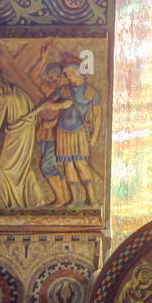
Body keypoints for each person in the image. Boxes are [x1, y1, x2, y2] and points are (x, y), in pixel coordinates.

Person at [0, 71, 49, 208]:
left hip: (16, 135)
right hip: (27, 134)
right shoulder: (21, 94)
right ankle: (37, 199)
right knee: (23, 168)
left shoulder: (4, 98)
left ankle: (4, 202)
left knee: (3, 169)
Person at [56, 55, 103, 207]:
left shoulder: (91, 92)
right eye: (66, 74)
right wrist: (59, 106)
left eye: (69, 73)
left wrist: (94, 136)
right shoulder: (64, 90)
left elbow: (98, 115)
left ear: (77, 72)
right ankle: (74, 199)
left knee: (81, 164)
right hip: (63, 131)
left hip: (79, 131)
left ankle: (92, 198)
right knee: (68, 165)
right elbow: (48, 105)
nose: (67, 77)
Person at [34, 63, 73, 207]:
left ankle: (60, 198)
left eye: (54, 76)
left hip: (57, 134)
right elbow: (34, 76)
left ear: (61, 74)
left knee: (46, 165)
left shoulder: (66, 90)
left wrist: (52, 123)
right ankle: (64, 198)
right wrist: (43, 59)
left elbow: (67, 111)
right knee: (51, 165)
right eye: (50, 77)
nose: (52, 80)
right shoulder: (50, 88)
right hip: (46, 134)